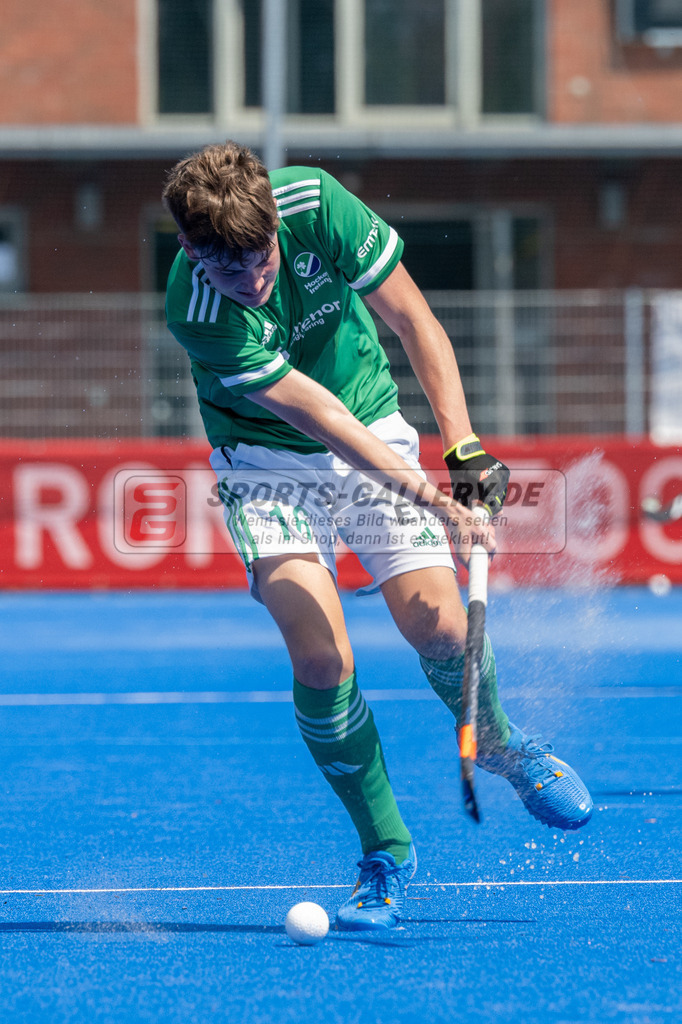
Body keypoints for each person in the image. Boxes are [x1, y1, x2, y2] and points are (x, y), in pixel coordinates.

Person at [161, 141, 592, 932]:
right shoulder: (197, 313)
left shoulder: (317, 204)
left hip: (372, 424)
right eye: (228, 270)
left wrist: (461, 447)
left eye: (261, 260)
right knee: (320, 654)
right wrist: (438, 503)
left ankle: (496, 741)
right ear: (190, 249)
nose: (252, 282)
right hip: (266, 466)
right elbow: (316, 418)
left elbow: (412, 317)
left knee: (441, 625)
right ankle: (384, 854)